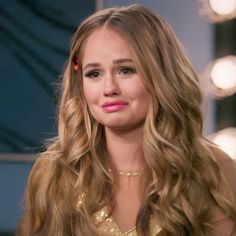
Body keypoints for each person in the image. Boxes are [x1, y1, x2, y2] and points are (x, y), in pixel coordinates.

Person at [16, 4, 236, 236]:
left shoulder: (213, 170)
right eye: (94, 74)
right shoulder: (54, 173)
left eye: (126, 70)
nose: (109, 88)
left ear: (160, 75)